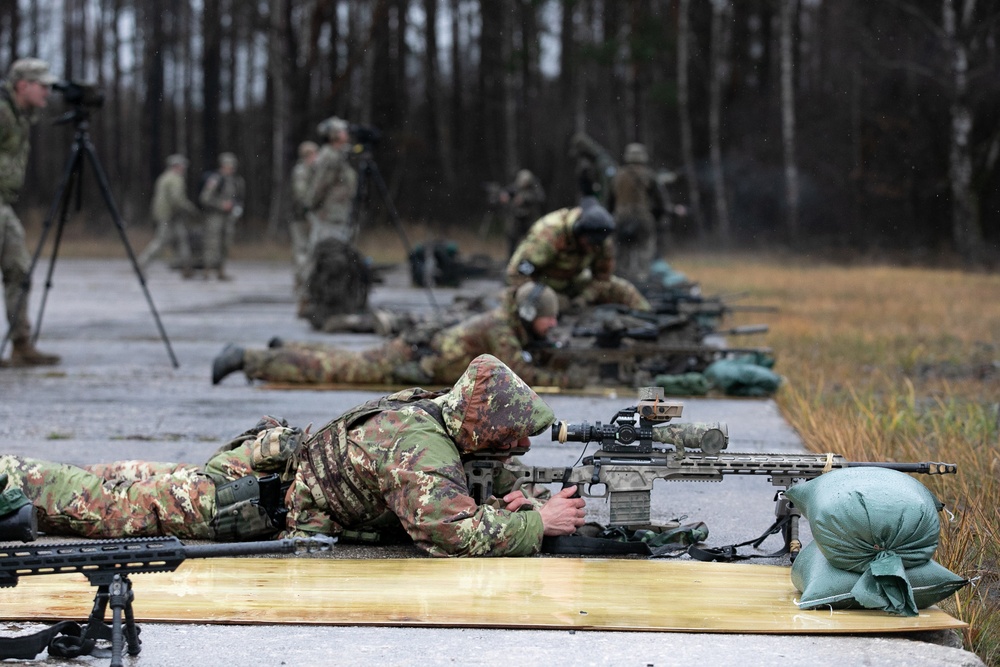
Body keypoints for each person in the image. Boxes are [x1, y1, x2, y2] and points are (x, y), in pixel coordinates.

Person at [0, 355, 588, 557]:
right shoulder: (418, 445)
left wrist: (519, 497)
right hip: (252, 500)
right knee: (106, 509)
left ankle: (17, 470)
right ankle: (9, 479)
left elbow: (471, 478)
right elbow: (448, 531)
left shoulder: (441, 411)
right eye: (512, 436)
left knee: (126, 482)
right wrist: (538, 522)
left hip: (264, 469)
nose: (519, 448)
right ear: (485, 425)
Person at [212, 281, 586, 389]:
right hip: (411, 362)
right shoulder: (501, 328)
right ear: (528, 314)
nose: (553, 325)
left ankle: (287, 348)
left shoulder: (505, 321)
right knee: (335, 369)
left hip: (416, 355)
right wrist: (569, 380)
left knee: (346, 360)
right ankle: (248, 358)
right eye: (549, 319)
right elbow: (526, 375)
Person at [0, 58, 60, 366]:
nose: (47, 92)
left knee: (18, 269)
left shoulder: (23, 114)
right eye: (42, 85)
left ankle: (21, 343)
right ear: (22, 85)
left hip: (3, 204)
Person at [506, 197, 651, 312]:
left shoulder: (601, 239)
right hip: (542, 285)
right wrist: (546, 297)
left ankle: (650, 321)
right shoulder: (550, 234)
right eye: (590, 242)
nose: (593, 248)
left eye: (597, 244)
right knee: (551, 305)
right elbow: (517, 274)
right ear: (578, 232)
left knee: (622, 289)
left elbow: (603, 277)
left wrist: (585, 297)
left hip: (573, 283)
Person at [606, 143, 667, 287]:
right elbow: (661, 203)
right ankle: (642, 285)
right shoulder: (649, 175)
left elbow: (609, 203)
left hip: (620, 220)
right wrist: (656, 219)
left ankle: (620, 286)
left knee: (620, 258)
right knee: (643, 257)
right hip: (643, 220)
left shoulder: (617, 176)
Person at [137, 154, 200, 277]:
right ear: (176, 166)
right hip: (169, 215)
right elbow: (176, 199)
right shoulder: (175, 179)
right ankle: (141, 263)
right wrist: (190, 209)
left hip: (169, 215)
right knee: (161, 241)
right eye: (182, 166)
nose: (184, 168)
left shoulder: (164, 177)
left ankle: (187, 267)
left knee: (182, 239)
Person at [305, 116, 357, 247]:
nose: (346, 133)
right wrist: (311, 205)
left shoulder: (341, 155)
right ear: (333, 135)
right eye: (342, 131)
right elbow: (321, 185)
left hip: (340, 214)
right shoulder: (330, 156)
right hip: (329, 217)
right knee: (327, 256)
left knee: (339, 256)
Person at [199, 152, 245, 281]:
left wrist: (237, 209)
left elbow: (240, 198)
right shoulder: (216, 179)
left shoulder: (237, 181)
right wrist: (220, 204)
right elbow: (205, 198)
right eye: (227, 165)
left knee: (226, 243)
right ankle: (207, 270)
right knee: (212, 243)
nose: (230, 168)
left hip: (229, 217)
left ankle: (221, 270)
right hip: (215, 216)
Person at [500, 169, 546, 258]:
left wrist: (524, 199)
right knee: (512, 238)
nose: (523, 184)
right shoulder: (516, 187)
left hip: (529, 219)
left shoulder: (535, 188)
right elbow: (509, 191)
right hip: (516, 219)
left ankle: (531, 259)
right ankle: (511, 259)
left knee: (532, 240)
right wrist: (504, 196)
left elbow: (540, 198)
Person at [289, 140, 319, 276]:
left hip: (312, 216)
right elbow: (301, 195)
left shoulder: (315, 171)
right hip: (300, 217)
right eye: (313, 154)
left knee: (311, 251)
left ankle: (307, 280)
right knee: (301, 251)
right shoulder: (301, 171)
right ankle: (301, 280)